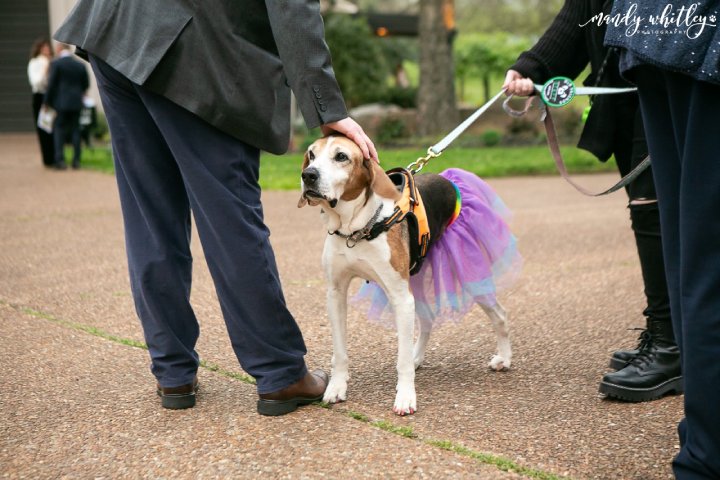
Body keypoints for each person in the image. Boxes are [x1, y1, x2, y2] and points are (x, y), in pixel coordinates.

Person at [54, 0, 377, 416]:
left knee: (150, 216)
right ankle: (278, 371)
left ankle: (172, 372)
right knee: (229, 218)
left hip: (119, 27)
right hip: (199, 52)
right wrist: (328, 110)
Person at [503, 0, 679, 403]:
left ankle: (674, 345)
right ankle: (669, 332)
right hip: (627, 96)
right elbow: (586, 8)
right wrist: (534, 66)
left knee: (657, 210)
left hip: (672, 87)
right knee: (648, 211)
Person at [604, 2, 720, 478]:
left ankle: (703, 443)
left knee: (692, 258)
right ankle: (706, 453)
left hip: (653, 26)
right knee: (704, 259)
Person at [44, 43, 89, 170]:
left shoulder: (56, 64)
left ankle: (60, 161)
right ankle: (76, 161)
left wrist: (46, 102)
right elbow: (86, 84)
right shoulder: (80, 65)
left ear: (59, 49)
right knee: (76, 130)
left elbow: (51, 85)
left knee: (59, 130)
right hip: (76, 102)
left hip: (61, 103)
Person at [27, 37, 55, 168]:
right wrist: (45, 68)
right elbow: (36, 82)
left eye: (47, 48)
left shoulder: (54, 62)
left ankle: (56, 156)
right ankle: (47, 159)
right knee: (43, 127)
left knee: (54, 127)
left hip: (52, 97)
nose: (46, 50)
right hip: (40, 96)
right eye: (43, 48)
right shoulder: (35, 63)